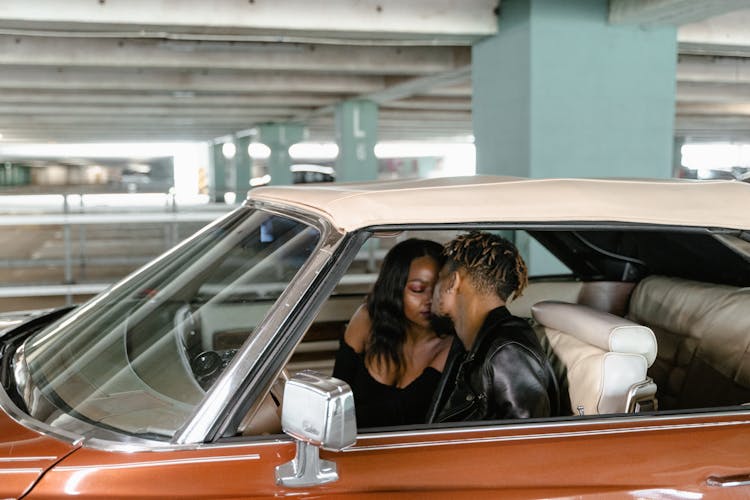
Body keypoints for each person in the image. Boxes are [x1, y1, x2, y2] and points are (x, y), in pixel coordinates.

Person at [426, 231, 559, 423]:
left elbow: (528, 440)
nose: (432, 290)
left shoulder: (508, 352)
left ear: (452, 282)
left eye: (439, 278)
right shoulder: (469, 344)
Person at [333, 238, 453, 428]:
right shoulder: (367, 319)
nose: (430, 300)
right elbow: (335, 393)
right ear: (395, 288)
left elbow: (401, 413)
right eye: (418, 289)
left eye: (438, 288)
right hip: (347, 444)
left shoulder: (450, 345)